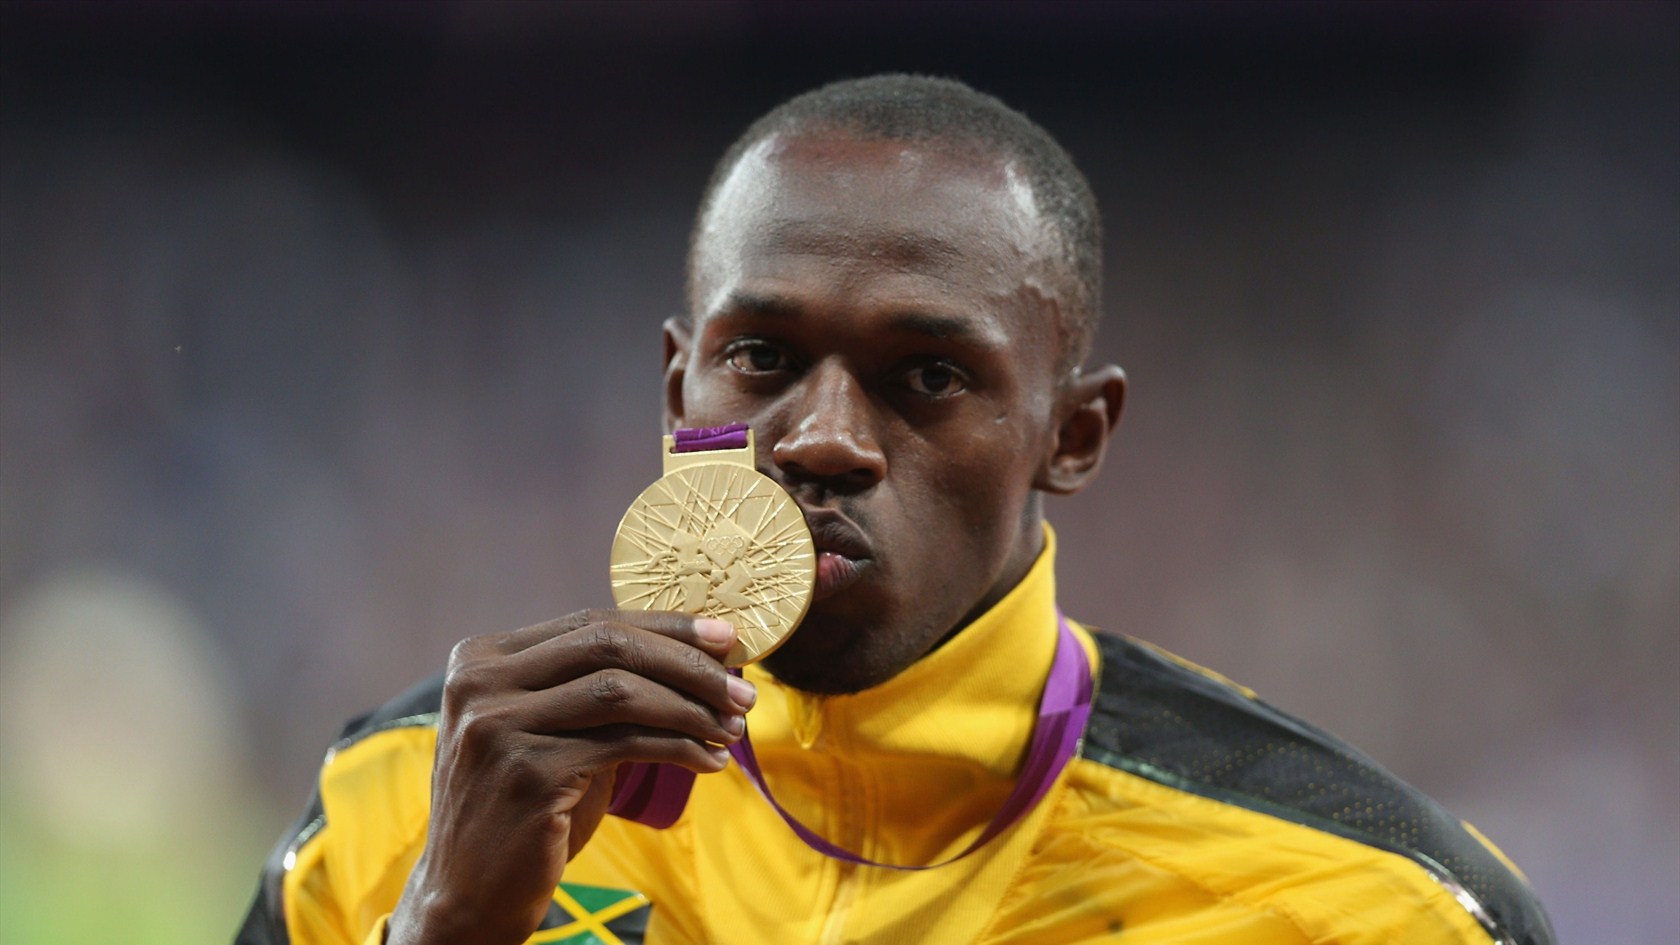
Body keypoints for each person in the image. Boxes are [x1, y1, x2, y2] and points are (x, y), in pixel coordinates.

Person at [236, 75, 1554, 945]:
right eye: (761, 357)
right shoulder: (403, 803)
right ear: (678, 389)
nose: (821, 436)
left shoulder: (1363, 904)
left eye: (928, 375)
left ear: (1073, 434)